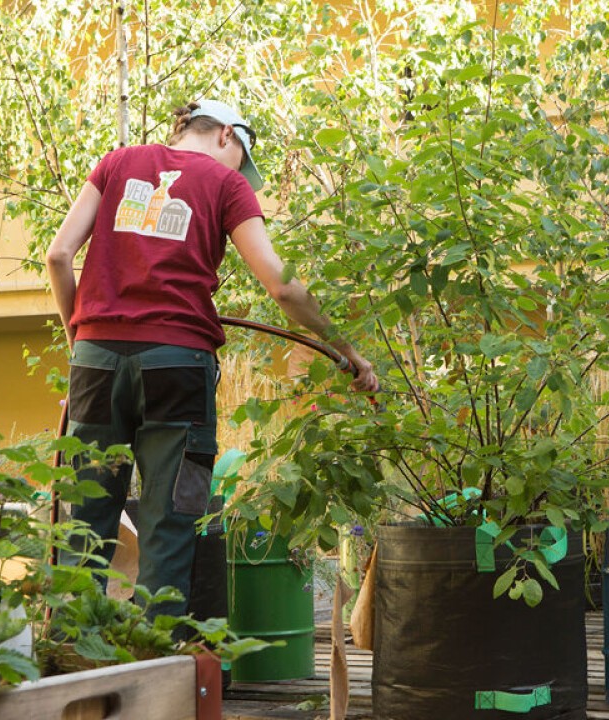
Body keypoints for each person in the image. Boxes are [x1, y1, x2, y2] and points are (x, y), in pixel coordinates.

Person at [46, 99, 378, 619]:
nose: (239, 172)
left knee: (83, 514)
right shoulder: (226, 185)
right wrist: (347, 350)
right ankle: (159, 664)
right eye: (241, 158)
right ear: (227, 134)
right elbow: (281, 285)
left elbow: (58, 255)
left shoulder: (115, 164)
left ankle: (68, 657)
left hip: (95, 359)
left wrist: (81, 343)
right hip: (176, 367)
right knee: (171, 518)